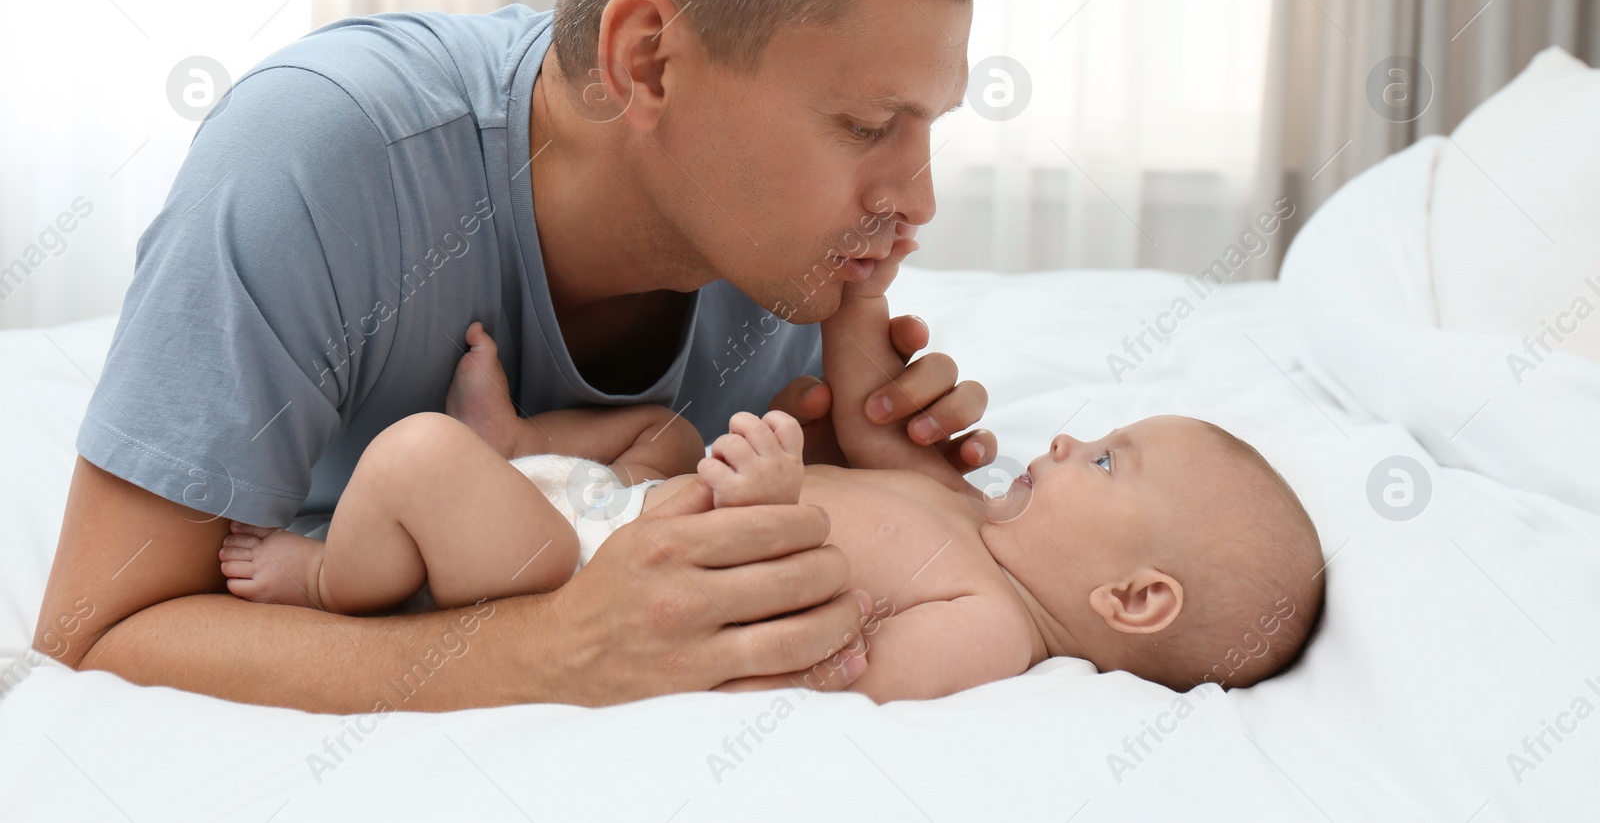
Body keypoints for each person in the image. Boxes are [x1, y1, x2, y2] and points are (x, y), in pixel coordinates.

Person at [32, 0, 1001, 711]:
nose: (914, 201)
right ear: (648, 62)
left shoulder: (782, 266)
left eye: (928, 129)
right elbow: (92, 626)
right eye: (870, 125)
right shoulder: (313, 163)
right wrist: (545, 652)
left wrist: (860, 467)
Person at [220, 231, 1325, 700]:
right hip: (618, 501)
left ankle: (323, 578)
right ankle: (518, 450)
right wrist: (861, 289)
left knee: (418, 453)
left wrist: (769, 508)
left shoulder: (991, 627)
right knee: (654, 426)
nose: (1071, 441)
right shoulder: (972, 507)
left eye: (1109, 463)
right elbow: (868, 403)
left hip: (568, 574)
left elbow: (825, 663)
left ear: (1133, 596)